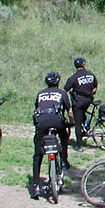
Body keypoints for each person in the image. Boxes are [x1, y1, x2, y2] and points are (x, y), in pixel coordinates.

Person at [31, 71, 72, 199]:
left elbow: (37, 109)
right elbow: (69, 111)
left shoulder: (40, 93)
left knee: (37, 154)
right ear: (58, 81)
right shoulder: (62, 93)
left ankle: (36, 185)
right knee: (64, 136)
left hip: (41, 122)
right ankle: (64, 159)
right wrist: (72, 123)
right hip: (57, 121)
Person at [63, 57, 98, 152]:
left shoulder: (73, 77)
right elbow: (95, 87)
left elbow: (65, 89)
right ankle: (87, 127)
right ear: (84, 64)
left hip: (79, 102)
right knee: (83, 113)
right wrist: (90, 93)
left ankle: (79, 145)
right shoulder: (91, 75)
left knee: (77, 123)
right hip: (89, 99)